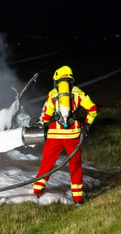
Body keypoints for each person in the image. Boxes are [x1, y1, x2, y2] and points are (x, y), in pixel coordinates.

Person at [33, 65, 97, 204]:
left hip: (55, 135)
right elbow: (92, 109)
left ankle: (37, 191)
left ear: (56, 81)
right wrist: (86, 125)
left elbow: (45, 116)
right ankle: (78, 199)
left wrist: (41, 124)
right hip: (73, 135)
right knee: (75, 166)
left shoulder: (52, 94)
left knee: (47, 163)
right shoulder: (78, 93)